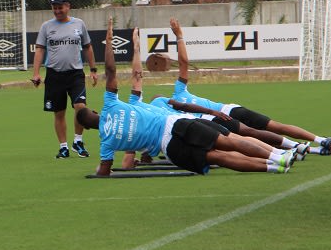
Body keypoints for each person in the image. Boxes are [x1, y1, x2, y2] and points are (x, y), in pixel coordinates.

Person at [76, 17, 297, 177]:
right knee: (227, 142)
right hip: (175, 124)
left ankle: (274, 166)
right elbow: (121, 73)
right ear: (95, 111)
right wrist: (111, 39)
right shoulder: (114, 104)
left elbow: (105, 171)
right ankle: (278, 158)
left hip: (167, 146)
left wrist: (101, 169)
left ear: (87, 129)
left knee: (218, 156)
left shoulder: (106, 142)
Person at [152, 18, 331, 155]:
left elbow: (184, 63)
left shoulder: (178, 93)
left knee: (274, 127)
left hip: (228, 110)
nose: (157, 97)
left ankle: (321, 141)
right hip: (216, 122)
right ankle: (315, 149)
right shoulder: (172, 116)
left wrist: (179, 37)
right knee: (257, 138)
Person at [31, 0, 98, 159]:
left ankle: (78, 141)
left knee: (80, 108)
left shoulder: (79, 24)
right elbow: (40, 49)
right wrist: (36, 73)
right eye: (54, 8)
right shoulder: (46, 26)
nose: (57, 11)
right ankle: (63, 147)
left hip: (75, 74)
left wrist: (93, 70)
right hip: (54, 75)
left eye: (60, 7)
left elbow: (88, 47)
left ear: (68, 7)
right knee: (59, 113)